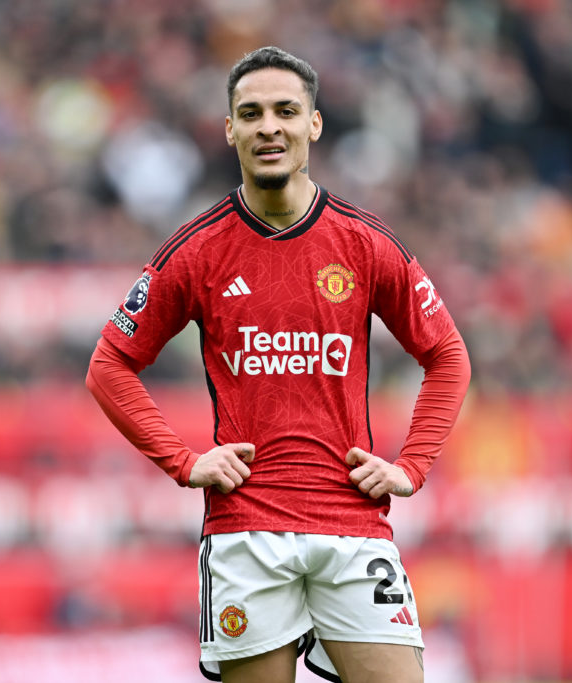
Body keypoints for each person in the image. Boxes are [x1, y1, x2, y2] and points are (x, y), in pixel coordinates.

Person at [86, 46, 471, 683]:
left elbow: (447, 356)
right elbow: (109, 366)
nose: (270, 126)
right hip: (247, 529)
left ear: (314, 124)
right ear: (230, 128)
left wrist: (413, 465)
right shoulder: (197, 250)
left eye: (286, 111)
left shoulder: (363, 243)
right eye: (252, 112)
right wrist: (184, 463)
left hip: (353, 524)